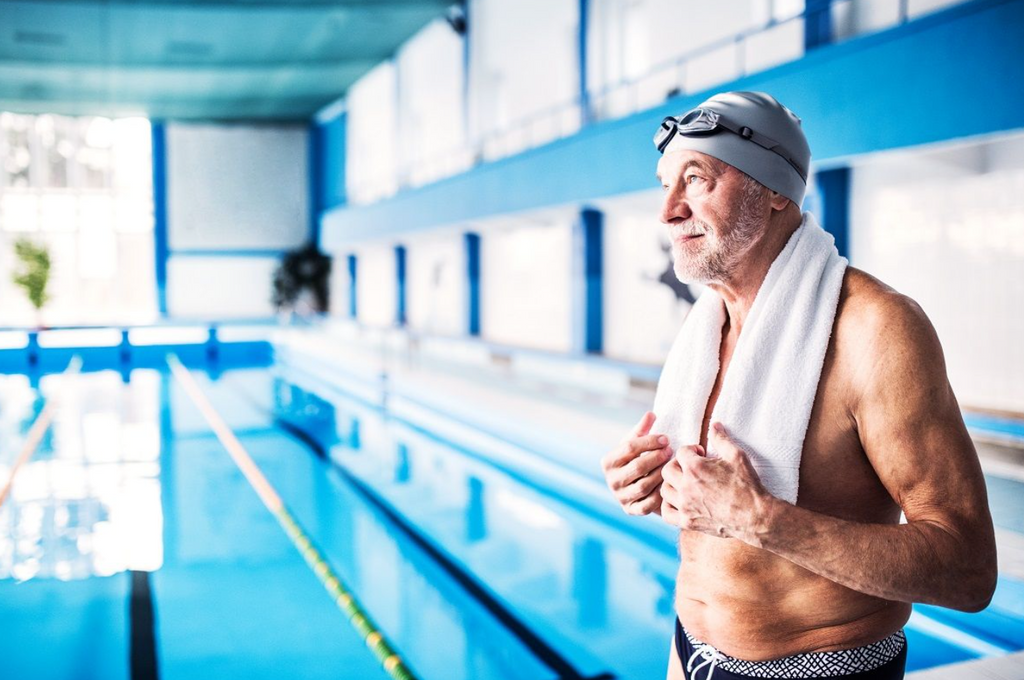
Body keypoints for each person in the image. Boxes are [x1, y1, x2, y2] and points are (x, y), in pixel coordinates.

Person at [600, 91, 997, 680]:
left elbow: (968, 569)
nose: (668, 211)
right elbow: (711, 516)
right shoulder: (708, 321)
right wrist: (645, 478)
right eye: (665, 185)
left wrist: (763, 521)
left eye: (696, 179)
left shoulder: (876, 331)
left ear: (776, 189)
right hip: (688, 651)